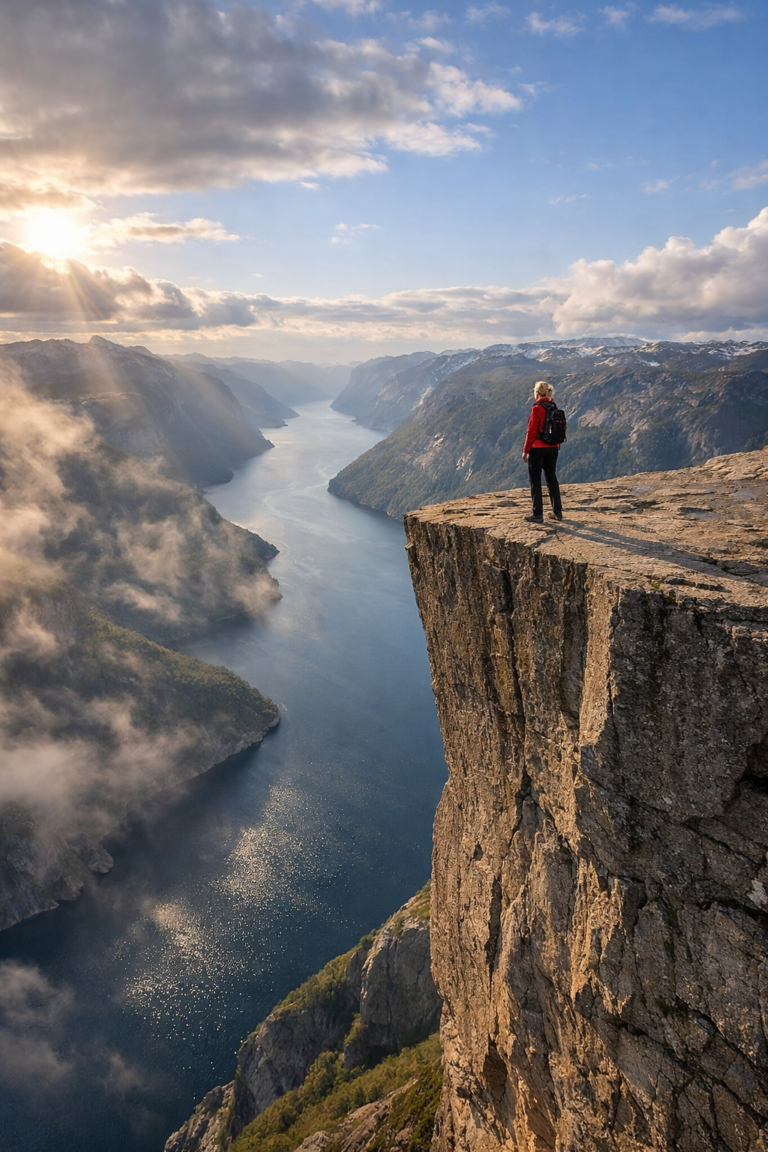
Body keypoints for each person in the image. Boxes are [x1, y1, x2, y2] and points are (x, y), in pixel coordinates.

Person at [522, 380, 563, 523]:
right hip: (553, 448)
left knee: (536, 480)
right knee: (552, 478)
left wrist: (525, 450)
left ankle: (537, 514)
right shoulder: (553, 406)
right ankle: (557, 512)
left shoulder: (537, 408)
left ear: (537, 393)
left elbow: (531, 431)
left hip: (537, 449)